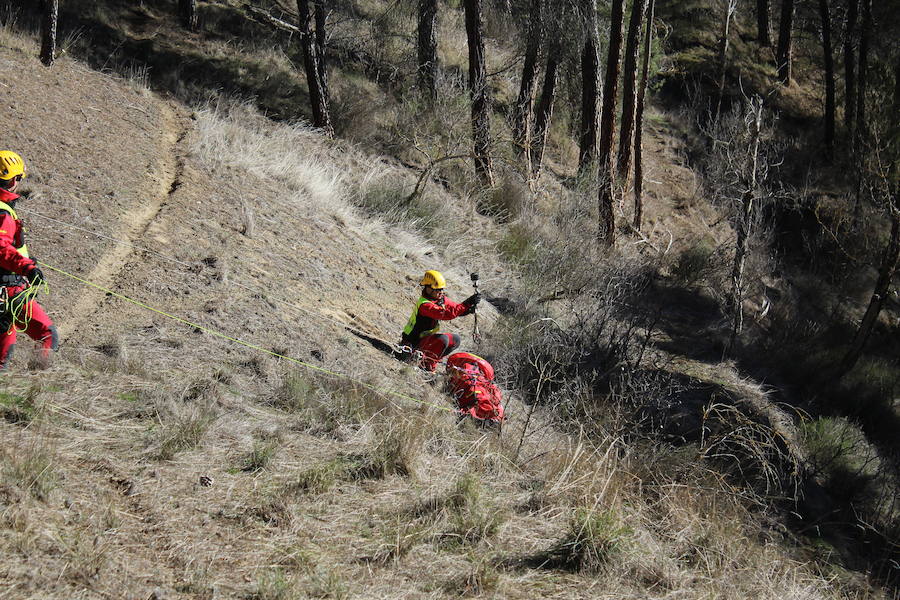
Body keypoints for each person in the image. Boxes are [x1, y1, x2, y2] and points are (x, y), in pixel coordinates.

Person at [0, 151, 57, 370]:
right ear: (13, 180)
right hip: (8, 291)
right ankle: (36, 388)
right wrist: (27, 267)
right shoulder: (3, 212)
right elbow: (1, 248)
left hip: (6, 291)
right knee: (47, 335)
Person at [399, 270, 480, 372]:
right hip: (414, 343)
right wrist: (467, 303)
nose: (441, 292)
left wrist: (467, 309)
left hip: (425, 340)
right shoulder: (425, 305)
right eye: (438, 290)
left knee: (455, 339)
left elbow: (454, 308)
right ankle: (426, 365)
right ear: (428, 289)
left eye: (442, 289)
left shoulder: (439, 299)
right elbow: (446, 314)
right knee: (443, 339)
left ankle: (431, 358)